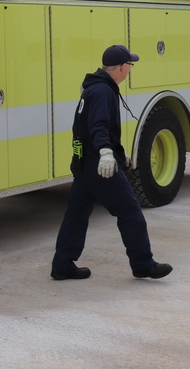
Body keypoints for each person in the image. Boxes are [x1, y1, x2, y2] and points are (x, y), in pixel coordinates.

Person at [51, 44, 173, 281]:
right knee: (129, 211)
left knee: (76, 215)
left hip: (84, 163)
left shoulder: (96, 87)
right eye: (130, 65)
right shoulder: (102, 92)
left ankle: (62, 264)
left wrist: (117, 151)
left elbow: (89, 127)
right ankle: (143, 263)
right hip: (98, 165)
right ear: (122, 67)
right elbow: (98, 126)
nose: (130, 69)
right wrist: (107, 154)